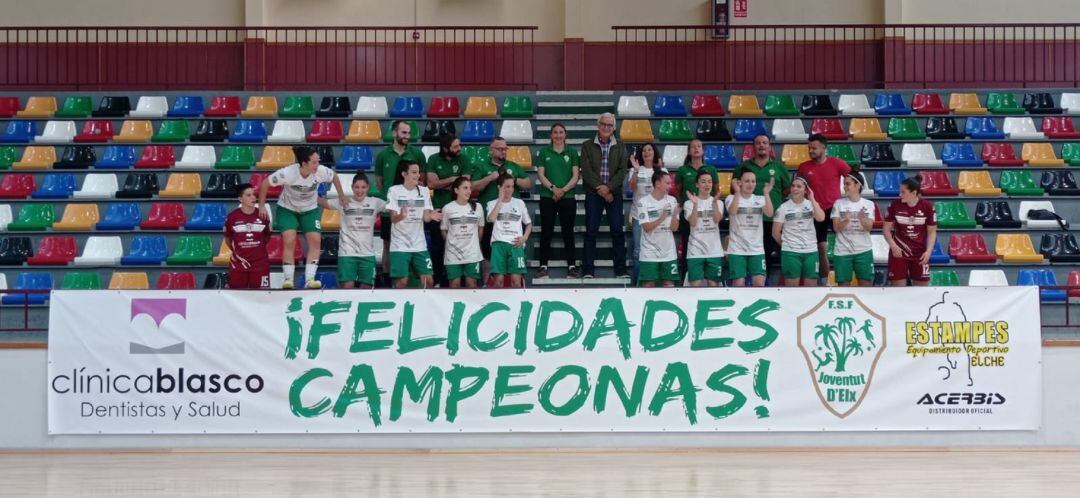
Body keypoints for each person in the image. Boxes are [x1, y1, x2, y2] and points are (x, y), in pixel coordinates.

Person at [258, 146, 346, 289]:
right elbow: (265, 183)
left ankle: (309, 279)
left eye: (318, 161)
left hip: (309, 209)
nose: (318, 165)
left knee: (316, 240)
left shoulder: (321, 171)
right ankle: (288, 279)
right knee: (290, 239)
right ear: (304, 164)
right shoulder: (288, 173)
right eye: (314, 162)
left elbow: (334, 176)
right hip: (288, 209)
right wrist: (261, 206)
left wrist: (341, 195)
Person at [374, 120, 427, 280]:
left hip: (413, 209)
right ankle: (388, 279)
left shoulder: (417, 154)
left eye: (409, 133)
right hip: (391, 208)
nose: (407, 136)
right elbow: (379, 182)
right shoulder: (383, 155)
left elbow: (422, 180)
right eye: (404, 133)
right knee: (388, 244)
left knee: (414, 243)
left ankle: (410, 280)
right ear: (395, 133)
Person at [471, 136, 532, 276]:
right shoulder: (482, 166)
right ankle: (488, 283)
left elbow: (528, 183)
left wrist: (513, 180)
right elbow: (473, 187)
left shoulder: (513, 166)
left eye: (505, 149)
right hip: (491, 216)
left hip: (512, 218)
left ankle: (515, 284)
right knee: (487, 252)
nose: (503, 152)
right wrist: (490, 178)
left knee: (516, 249)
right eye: (500, 149)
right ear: (491, 150)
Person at [579, 112, 629, 279]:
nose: (606, 127)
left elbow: (622, 170)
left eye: (610, 125)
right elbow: (586, 171)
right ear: (598, 125)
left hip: (614, 194)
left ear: (614, 128)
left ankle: (620, 269)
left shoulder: (621, 146)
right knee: (591, 231)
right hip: (593, 194)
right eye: (603, 124)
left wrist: (608, 188)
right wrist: (601, 189)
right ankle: (587, 270)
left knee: (617, 231)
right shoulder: (586, 145)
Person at [797, 133, 851, 284]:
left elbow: (854, 179)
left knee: (843, 246)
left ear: (824, 148)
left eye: (814, 148)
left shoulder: (838, 163)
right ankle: (823, 282)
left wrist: (848, 200)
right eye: (809, 148)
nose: (811, 151)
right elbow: (797, 187)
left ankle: (843, 280)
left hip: (834, 210)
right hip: (814, 211)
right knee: (820, 247)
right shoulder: (804, 167)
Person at [735, 133, 792, 269]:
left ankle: (767, 286)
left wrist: (774, 199)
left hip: (773, 219)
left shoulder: (779, 167)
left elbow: (787, 189)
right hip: (749, 219)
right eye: (758, 143)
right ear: (753, 146)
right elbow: (735, 188)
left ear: (769, 146)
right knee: (750, 253)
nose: (761, 145)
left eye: (764, 143)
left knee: (769, 254)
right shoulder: (743, 167)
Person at [318, 174, 384, 289]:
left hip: (367, 255)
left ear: (368, 187)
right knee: (347, 288)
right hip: (347, 254)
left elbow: (394, 205)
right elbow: (322, 202)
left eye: (363, 187)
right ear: (352, 187)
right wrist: (306, 189)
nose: (360, 190)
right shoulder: (343, 201)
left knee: (366, 290)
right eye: (357, 187)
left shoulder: (375, 202)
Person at [386, 160, 442, 289]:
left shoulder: (424, 191)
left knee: (428, 281)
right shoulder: (394, 191)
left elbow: (426, 218)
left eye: (418, 172)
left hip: (419, 244)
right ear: (404, 174)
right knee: (402, 282)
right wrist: (402, 215)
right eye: (414, 172)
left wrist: (431, 216)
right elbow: (393, 219)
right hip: (399, 245)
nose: (418, 175)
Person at [535, 123, 581, 279]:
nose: (558, 135)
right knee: (546, 231)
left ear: (565, 135)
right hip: (547, 196)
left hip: (567, 197)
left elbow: (576, 176)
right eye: (555, 132)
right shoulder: (543, 152)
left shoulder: (573, 152)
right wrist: (553, 188)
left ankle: (572, 266)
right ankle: (543, 266)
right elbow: (541, 174)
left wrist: (563, 190)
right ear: (551, 135)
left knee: (568, 232)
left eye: (561, 132)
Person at [424, 134, 470, 287]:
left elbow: (464, 184)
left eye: (459, 145)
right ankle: (438, 280)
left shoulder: (464, 159)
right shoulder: (433, 159)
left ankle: (458, 282)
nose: (459, 149)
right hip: (438, 211)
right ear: (445, 149)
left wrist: (441, 182)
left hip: (459, 212)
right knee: (438, 248)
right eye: (455, 147)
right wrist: (451, 180)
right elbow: (431, 183)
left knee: (459, 247)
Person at [675, 138, 719, 277]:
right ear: (689, 151)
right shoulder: (682, 170)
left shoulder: (711, 169)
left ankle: (709, 275)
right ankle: (687, 276)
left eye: (699, 146)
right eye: (693, 147)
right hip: (689, 211)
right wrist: (683, 205)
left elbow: (716, 190)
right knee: (688, 244)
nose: (696, 148)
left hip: (706, 212)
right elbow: (678, 190)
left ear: (703, 150)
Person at [883, 175, 937, 287]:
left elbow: (932, 231)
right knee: (898, 291)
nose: (900, 194)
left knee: (921, 291)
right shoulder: (894, 205)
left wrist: (928, 251)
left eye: (903, 192)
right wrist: (893, 245)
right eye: (900, 191)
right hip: (899, 252)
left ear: (914, 192)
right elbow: (886, 229)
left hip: (920, 253)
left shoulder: (927, 206)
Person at [772, 176, 825, 287]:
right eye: (793, 186)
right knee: (792, 289)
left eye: (799, 186)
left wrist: (812, 198)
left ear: (805, 190)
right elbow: (775, 233)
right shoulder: (783, 208)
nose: (795, 188)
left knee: (811, 289)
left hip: (811, 251)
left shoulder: (811, 205)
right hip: (790, 252)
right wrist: (787, 245)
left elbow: (820, 218)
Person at [726, 169, 774, 287]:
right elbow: (732, 212)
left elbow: (769, 213)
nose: (750, 184)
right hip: (737, 249)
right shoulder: (731, 198)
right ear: (740, 183)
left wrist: (766, 194)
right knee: (739, 283)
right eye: (747, 181)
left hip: (756, 249)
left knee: (759, 283)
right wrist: (737, 192)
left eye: (753, 181)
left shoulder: (760, 199)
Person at [635, 169, 680, 288]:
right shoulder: (643, 202)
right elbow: (646, 227)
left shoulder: (672, 200)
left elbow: (674, 228)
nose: (670, 186)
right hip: (649, 252)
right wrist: (662, 217)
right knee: (648, 285)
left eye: (670, 183)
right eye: (667, 183)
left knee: (669, 284)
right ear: (657, 183)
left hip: (669, 252)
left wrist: (675, 216)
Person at [486, 174, 532, 288]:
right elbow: (491, 219)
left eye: (512, 186)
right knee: (498, 282)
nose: (510, 189)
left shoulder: (519, 203)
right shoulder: (491, 203)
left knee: (516, 282)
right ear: (499, 187)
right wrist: (500, 200)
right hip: (498, 244)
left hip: (516, 244)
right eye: (507, 186)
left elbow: (529, 224)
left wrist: (524, 237)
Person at [628, 143, 664, 284]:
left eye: (649, 149)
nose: (647, 152)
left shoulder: (661, 170)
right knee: (638, 252)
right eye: (644, 150)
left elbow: (665, 190)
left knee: (658, 251)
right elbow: (630, 188)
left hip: (658, 216)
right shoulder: (636, 169)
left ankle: (656, 283)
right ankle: (637, 284)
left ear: (654, 153)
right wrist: (636, 171)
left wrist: (660, 172)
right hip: (639, 217)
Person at [831, 173, 876, 287]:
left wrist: (862, 219)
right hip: (842, 251)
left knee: (866, 285)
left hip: (863, 250)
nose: (845, 186)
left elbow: (868, 227)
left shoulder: (869, 204)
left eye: (848, 184)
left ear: (858, 185)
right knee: (843, 287)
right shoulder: (838, 203)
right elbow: (836, 228)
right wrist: (845, 221)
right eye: (844, 184)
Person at [224, 183, 270, 289]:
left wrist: (256, 248)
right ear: (240, 199)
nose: (253, 197)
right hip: (239, 264)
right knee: (236, 296)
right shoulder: (232, 217)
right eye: (248, 195)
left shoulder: (263, 215)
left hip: (260, 264)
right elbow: (228, 239)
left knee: (261, 296)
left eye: (254, 194)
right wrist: (240, 251)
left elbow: (267, 237)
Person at [441, 177, 485, 289]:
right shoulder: (447, 208)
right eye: (465, 188)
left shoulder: (478, 207)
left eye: (470, 188)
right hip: (453, 254)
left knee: (472, 285)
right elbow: (444, 229)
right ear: (456, 190)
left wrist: (474, 243)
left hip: (472, 254)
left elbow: (480, 228)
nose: (469, 191)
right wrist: (452, 244)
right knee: (454, 286)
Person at [683, 169, 725, 287]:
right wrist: (696, 204)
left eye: (709, 182)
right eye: (703, 182)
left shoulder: (718, 202)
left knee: (714, 286)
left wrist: (715, 203)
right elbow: (693, 222)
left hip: (714, 251)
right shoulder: (689, 203)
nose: (707, 185)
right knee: (695, 286)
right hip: (695, 252)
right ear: (697, 184)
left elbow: (717, 219)